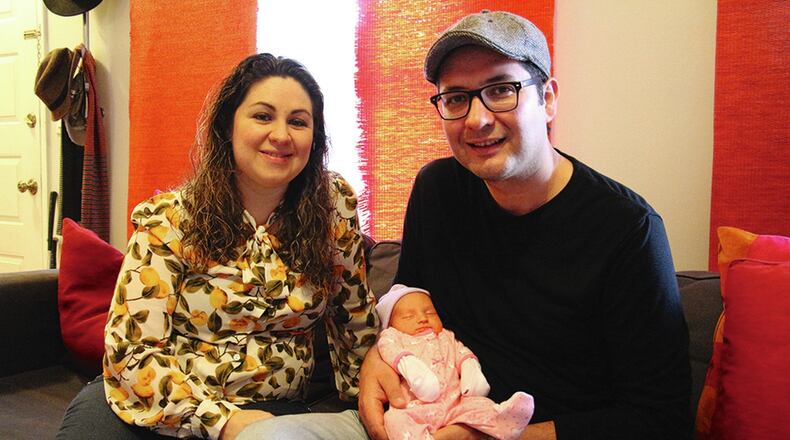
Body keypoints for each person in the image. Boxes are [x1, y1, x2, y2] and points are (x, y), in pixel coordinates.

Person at [358, 10, 692, 440]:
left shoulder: (628, 230)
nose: (477, 119)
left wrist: (492, 435)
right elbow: (410, 309)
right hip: (426, 421)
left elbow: (661, 419)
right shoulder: (437, 190)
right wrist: (375, 363)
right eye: (456, 97)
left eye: (501, 90)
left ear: (548, 98)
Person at [56, 53, 379, 440]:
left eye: (298, 121)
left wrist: (380, 408)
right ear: (227, 125)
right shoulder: (169, 220)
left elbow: (355, 320)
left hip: (272, 412)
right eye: (262, 116)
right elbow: (131, 352)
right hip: (160, 404)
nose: (281, 134)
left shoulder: (333, 206)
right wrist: (221, 421)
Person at [376, 284, 533, 440]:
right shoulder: (394, 337)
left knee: (479, 405)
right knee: (395, 420)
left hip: (455, 402)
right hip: (416, 406)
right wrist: (410, 365)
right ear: (390, 325)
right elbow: (389, 350)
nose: (423, 319)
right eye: (409, 317)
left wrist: (471, 373)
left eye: (430, 313)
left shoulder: (446, 336)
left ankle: (505, 421)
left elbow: (462, 353)